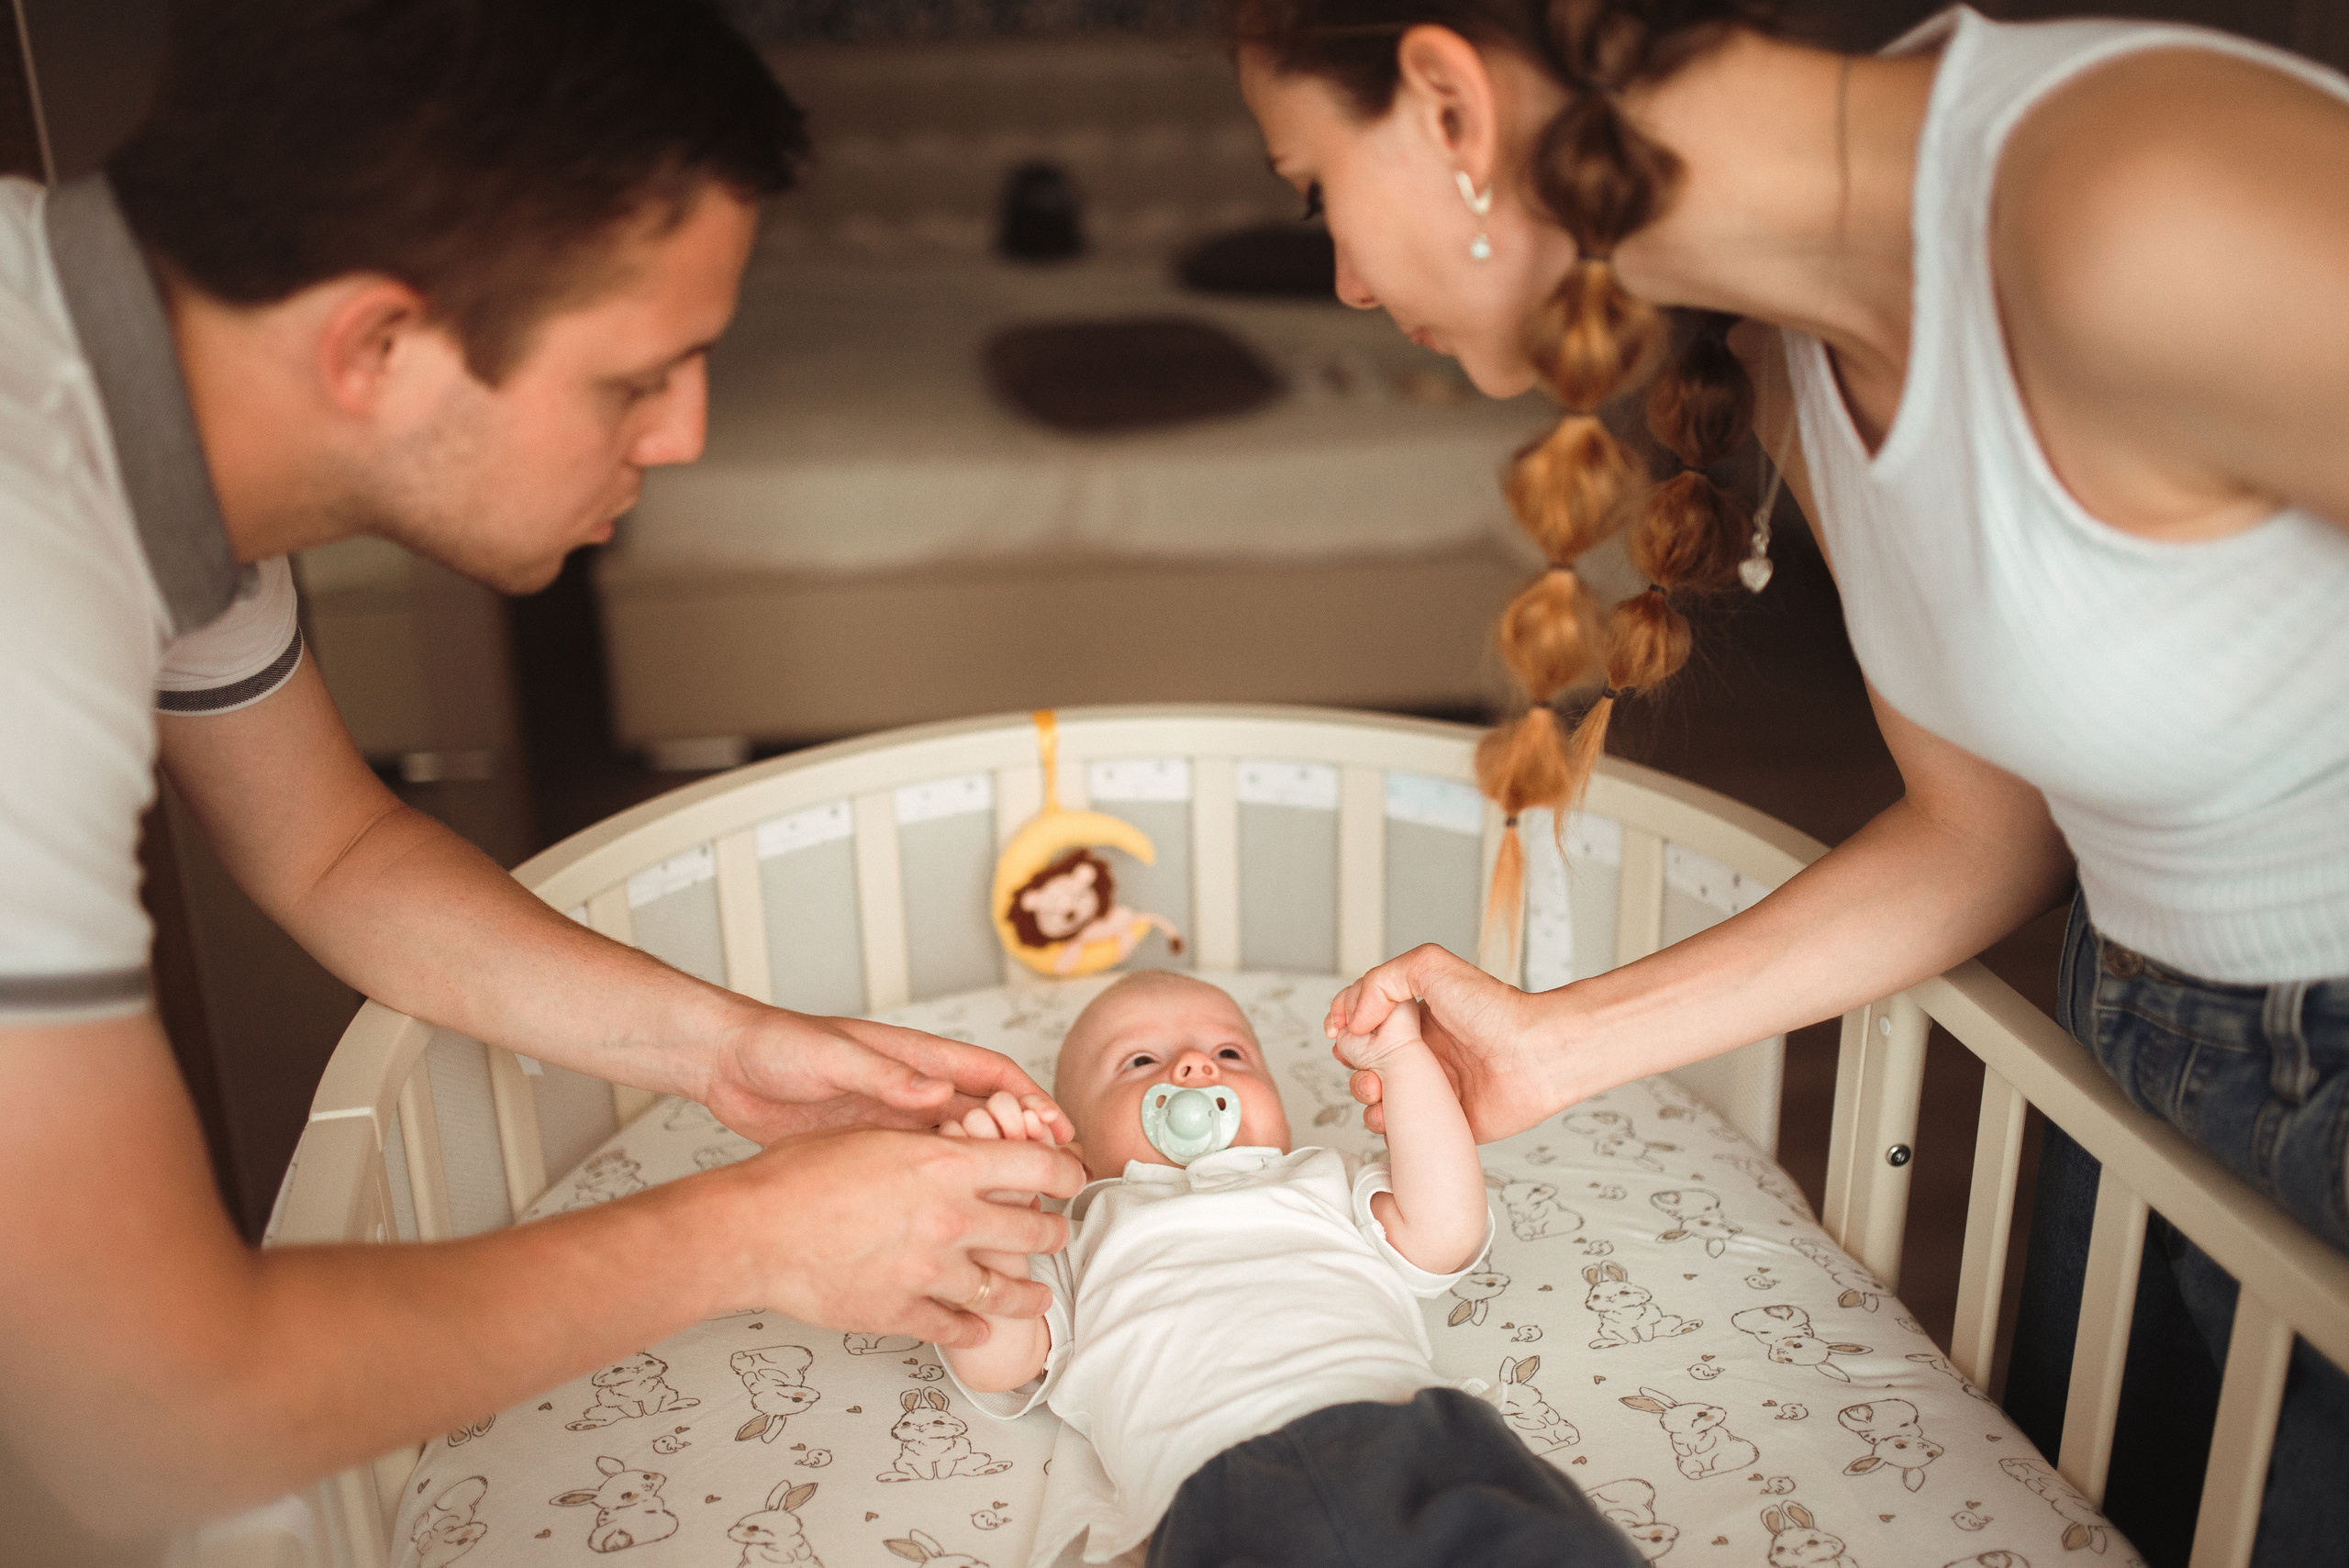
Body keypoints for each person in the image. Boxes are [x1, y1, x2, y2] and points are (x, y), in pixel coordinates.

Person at [1225, 0, 2349, 1561]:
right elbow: (1984, 832)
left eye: (1310, 185)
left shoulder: (2122, 195)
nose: (1340, 276)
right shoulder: (1797, 361)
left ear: (1447, 102)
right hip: (2154, 1047)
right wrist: (1558, 1043)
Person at [0, 0, 1084, 1533]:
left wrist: (727, 1050)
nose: (690, 431)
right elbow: (157, 1412)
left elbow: (334, 854)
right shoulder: (23, 579)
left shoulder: (131, 399)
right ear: (374, 343)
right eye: (638, 378)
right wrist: (754, 1234)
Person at [935, 970, 1642, 1568]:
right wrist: (992, 1203)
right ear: (1077, 1154)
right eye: (1140, 1062)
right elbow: (1000, 1358)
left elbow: (1447, 1231)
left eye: (1230, 1052)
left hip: (1417, 1438)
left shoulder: (1323, 1180)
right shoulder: (1076, 1235)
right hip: (1218, 1489)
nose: (1193, 1067)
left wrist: (1405, 1064)